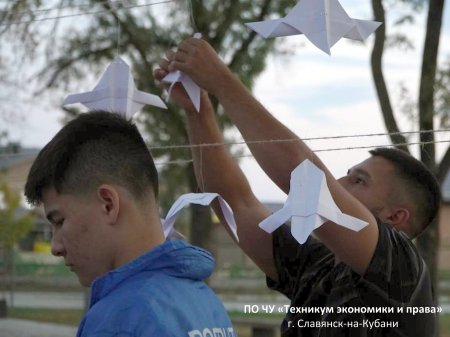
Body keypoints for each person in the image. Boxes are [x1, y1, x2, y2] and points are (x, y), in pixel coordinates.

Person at [154, 37, 442, 336]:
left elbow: (304, 176)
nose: (340, 184)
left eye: (359, 181)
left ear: (394, 218)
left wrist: (222, 82)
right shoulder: (319, 265)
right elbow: (234, 202)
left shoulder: (403, 271)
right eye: (347, 174)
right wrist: (197, 110)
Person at [24, 111, 236, 337]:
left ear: (108, 204)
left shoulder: (118, 321)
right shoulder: (208, 304)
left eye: (59, 221)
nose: (55, 247)